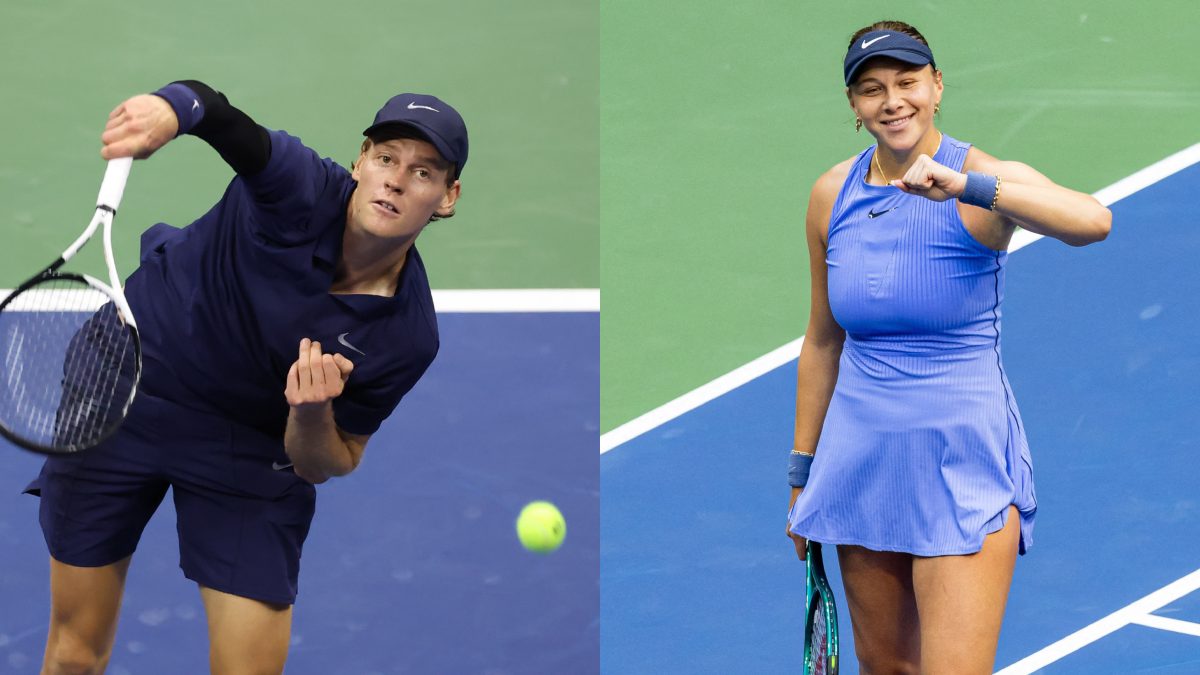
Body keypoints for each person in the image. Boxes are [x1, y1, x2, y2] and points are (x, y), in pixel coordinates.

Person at [24, 80, 467, 673]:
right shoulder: (301, 188)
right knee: (75, 655)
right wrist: (171, 109)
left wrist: (312, 415)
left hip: (248, 446)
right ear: (361, 160)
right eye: (386, 158)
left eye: (422, 172)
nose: (395, 178)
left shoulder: (406, 335)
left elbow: (328, 461)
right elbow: (224, 119)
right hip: (129, 385)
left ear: (447, 196)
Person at [785, 21, 1110, 675]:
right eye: (872, 89)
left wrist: (965, 187)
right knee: (888, 669)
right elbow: (823, 339)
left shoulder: (984, 178)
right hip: (861, 462)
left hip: (962, 459)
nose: (892, 101)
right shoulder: (831, 195)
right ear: (854, 107)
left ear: (936, 87)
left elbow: (1093, 220)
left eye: (907, 82)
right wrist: (801, 475)